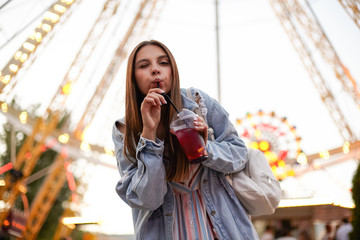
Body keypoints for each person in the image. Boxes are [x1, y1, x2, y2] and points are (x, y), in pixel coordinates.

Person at [112, 40, 258, 239]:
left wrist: (205, 148)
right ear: (133, 78)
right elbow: (148, 199)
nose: (155, 70)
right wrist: (149, 134)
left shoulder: (199, 103)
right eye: (144, 65)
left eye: (163, 63)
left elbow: (239, 155)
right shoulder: (125, 130)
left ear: (173, 71)